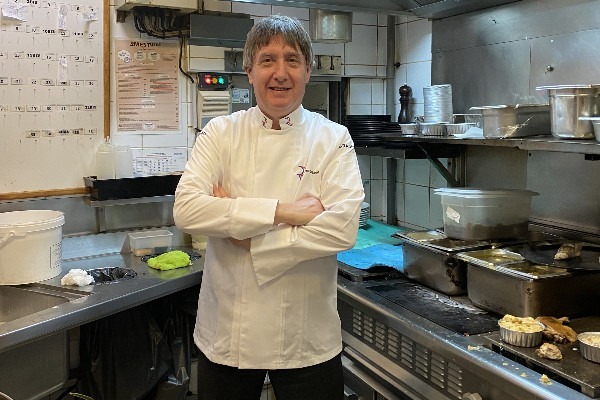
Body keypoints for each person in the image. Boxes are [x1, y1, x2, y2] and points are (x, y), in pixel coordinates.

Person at [173, 14, 364, 400]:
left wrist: (247, 238)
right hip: (228, 333)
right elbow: (188, 210)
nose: (281, 72)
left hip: (307, 335)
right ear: (249, 70)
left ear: (308, 70)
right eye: (268, 60)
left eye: (292, 60)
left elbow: (342, 228)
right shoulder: (220, 133)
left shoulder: (333, 138)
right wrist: (286, 212)